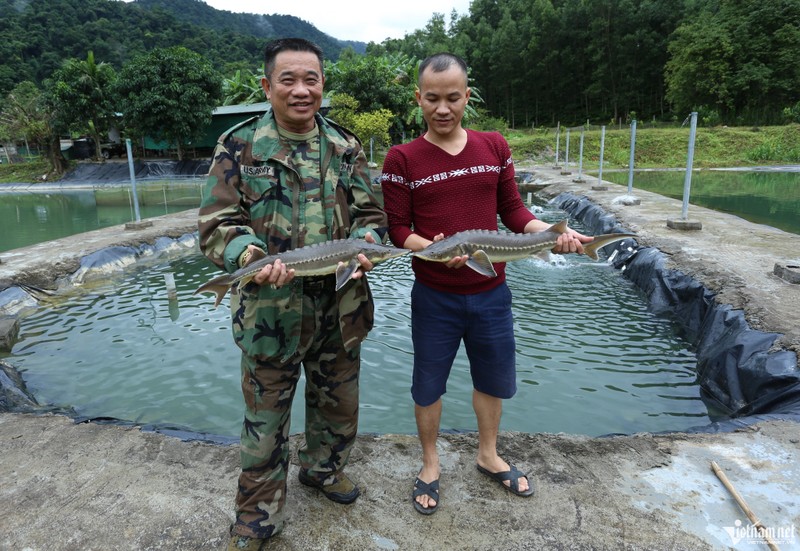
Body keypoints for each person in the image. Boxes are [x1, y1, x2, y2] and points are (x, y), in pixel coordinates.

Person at [380, 52, 592, 515]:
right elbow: (396, 228)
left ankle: (488, 454)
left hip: (492, 293)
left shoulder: (494, 145)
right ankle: (431, 463)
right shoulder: (401, 157)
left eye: (452, 98)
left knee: (492, 380)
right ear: (418, 99)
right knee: (427, 385)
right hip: (434, 294)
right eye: (432, 99)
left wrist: (554, 233)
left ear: (466, 98)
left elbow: (514, 212)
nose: (442, 108)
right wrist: (430, 246)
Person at [198, 37, 388, 548]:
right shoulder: (239, 147)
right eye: (289, 80)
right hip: (270, 312)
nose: (301, 90)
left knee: (338, 406)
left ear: (323, 84)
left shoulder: (347, 147)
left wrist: (368, 242)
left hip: (341, 307)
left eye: (312, 79)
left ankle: (323, 471)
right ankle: (258, 514)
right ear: (267, 86)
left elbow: (373, 216)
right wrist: (248, 256)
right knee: (265, 422)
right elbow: (217, 223)